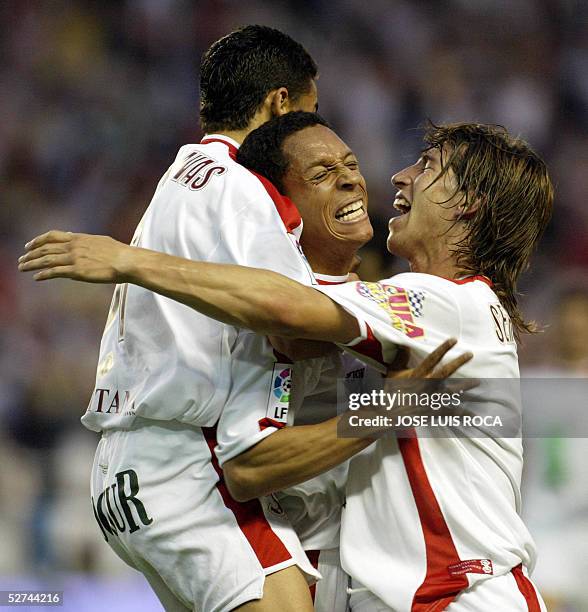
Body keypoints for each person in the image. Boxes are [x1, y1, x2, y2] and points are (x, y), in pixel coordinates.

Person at [20, 120, 555, 610]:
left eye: (429, 167)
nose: (400, 175)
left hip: (462, 594)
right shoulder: (394, 332)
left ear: (469, 205)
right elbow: (252, 466)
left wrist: (129, 261)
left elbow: (285, 304)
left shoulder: (454, 306)